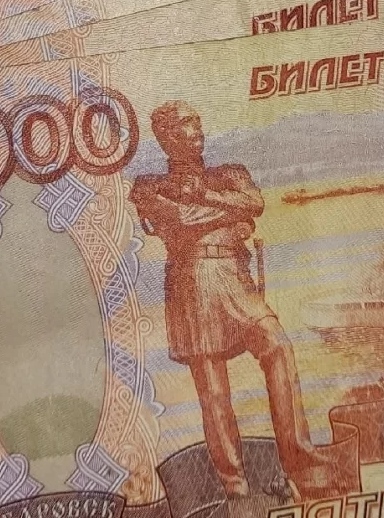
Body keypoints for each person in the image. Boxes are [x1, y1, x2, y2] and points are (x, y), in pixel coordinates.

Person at [130, 101, 324, 499]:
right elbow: (181, 221)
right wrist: (231, 217)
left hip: (236, 279)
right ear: (166, 138)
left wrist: (206, 196)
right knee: (213, 390)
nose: (197, 129)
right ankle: (236, 489)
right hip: (192, 284)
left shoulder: (230, 173)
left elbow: (255, 204)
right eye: (186, 124)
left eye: (197, 121)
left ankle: (300, 463)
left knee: (278, 348)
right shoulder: (148, 186)